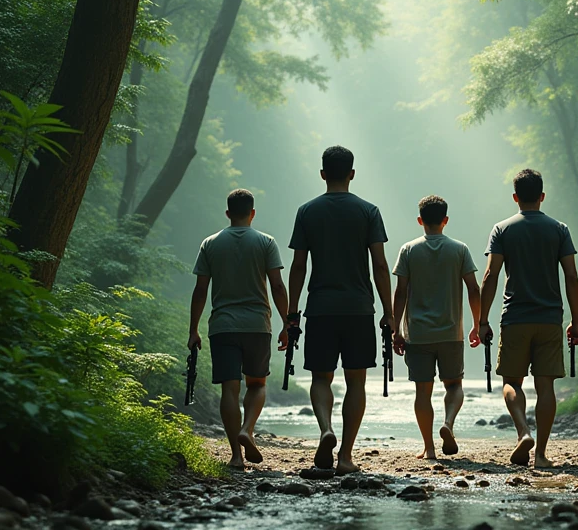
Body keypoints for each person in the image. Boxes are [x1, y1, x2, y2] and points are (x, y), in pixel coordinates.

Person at [287, 145, 393, 474]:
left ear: (322, 174)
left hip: (319, 308)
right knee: (356, 383)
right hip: (359, 308)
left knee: (321, 377)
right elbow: (379, 264)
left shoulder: (307, 212)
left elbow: (298, 266)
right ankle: (345, 456)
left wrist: (293, 312)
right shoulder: (368, 211)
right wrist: (389, 312)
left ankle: (325, 430)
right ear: (352, 173)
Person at [479, 169, 578, 468]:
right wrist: (576, 319)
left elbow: (490, 275)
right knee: (545, 385)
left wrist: (482, 320)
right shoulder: (559, 229)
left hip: (515, 317)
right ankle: (541, 455)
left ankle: (524, 431)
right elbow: (572, 277)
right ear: (542, 196)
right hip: (550, 318)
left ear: (515, 197)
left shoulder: (502, 229)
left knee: (512, 381)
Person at [189, 189, 288, 469]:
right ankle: (248, 428)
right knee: (257, 384)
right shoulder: (266, 242)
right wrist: (287, 323)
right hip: (257, 325)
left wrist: (193, 329)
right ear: (253, 213)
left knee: (229, 391)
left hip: (222, 326)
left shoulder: (210, 244)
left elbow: (200, 291)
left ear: (228, 213)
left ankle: (235, 455)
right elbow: (278, 286)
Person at [390, 195, 482, 460]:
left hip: (418, 334)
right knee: (453, 385)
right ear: (445, 220)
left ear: (420, 220)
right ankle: (449, 423)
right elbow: (473, 288)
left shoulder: (408, 250)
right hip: (451, 332)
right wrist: (477, 324)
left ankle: (429, 448)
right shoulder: (460, 249)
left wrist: (397, 330)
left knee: (423, 390)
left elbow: (401, 292)